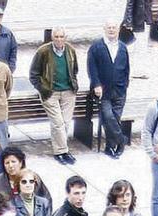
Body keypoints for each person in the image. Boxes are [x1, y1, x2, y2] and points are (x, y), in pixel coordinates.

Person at [29, 26, 80, 164]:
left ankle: (61, 150)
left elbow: (75, 69)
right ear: (52, 38)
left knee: (65, 122)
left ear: (65, 37)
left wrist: (73, 83)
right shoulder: (43, 51)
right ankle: (62, 151)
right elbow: (33, 74)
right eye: (56, 37)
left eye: (61, 37)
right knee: (58, 123)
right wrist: (42, 88)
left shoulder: (70, 50)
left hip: (68, 91)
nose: (59, 39)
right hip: (50, 91)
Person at [88, 20, 131, 158]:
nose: (111, 30)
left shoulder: (123, 47)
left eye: (114, 27)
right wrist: (96, 84)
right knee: (108, 116)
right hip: (103, 91)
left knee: (115, 119)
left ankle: (110, 147)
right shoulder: (96, 47)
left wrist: (125, 86)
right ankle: (122, 140)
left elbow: (126, 69)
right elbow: (91, 68)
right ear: (104, 29)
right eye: (109, 28)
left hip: (119, 91)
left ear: (118, 30)